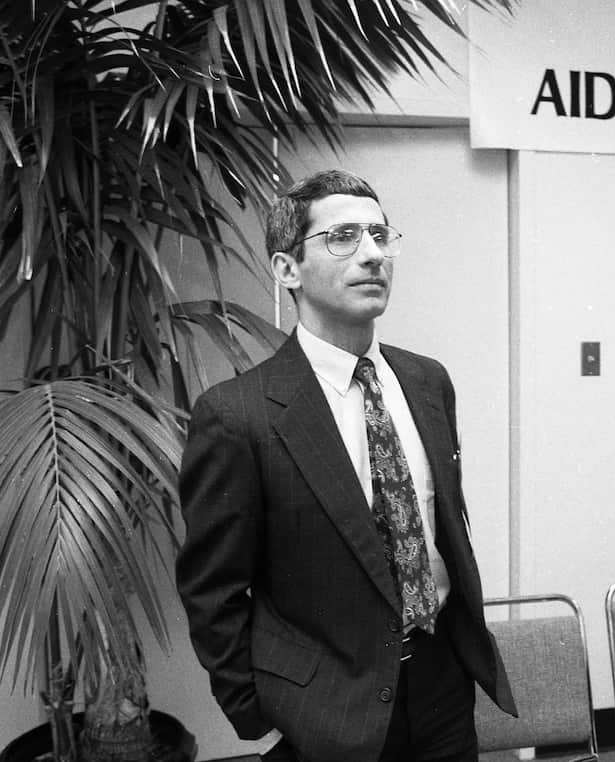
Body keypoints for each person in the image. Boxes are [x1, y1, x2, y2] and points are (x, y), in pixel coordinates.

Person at [176, 169, 517, 762]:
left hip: (442, 685)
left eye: (381, 236)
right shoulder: (237, 416)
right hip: (330, 707)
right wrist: (257, 710)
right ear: (287, 270)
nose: (372, 255)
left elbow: (444, 528)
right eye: (343, 238)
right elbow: (214, 592)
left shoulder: (427, 382)